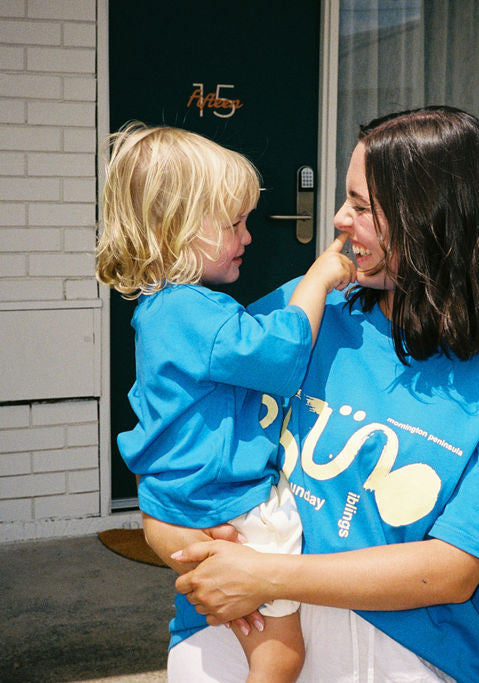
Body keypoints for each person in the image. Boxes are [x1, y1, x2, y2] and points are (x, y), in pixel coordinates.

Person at [144, 106, 479, 682]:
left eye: (363, 206)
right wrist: (174, 537)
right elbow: (178, 449)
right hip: (236, 634)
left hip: (400, 656)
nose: (339, 219)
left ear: (438, 220)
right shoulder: (301, 314)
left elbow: (451, 571)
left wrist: (264, 576)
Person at [95, 122, 355, 683]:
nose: (248, 236)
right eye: (235, 223)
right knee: (280, 651)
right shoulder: (194, 313)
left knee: (232, 632)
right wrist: (319, 278)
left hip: (178, 501)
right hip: (230, 504)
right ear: (177, 229)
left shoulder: (164, 309)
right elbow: (284, 356)